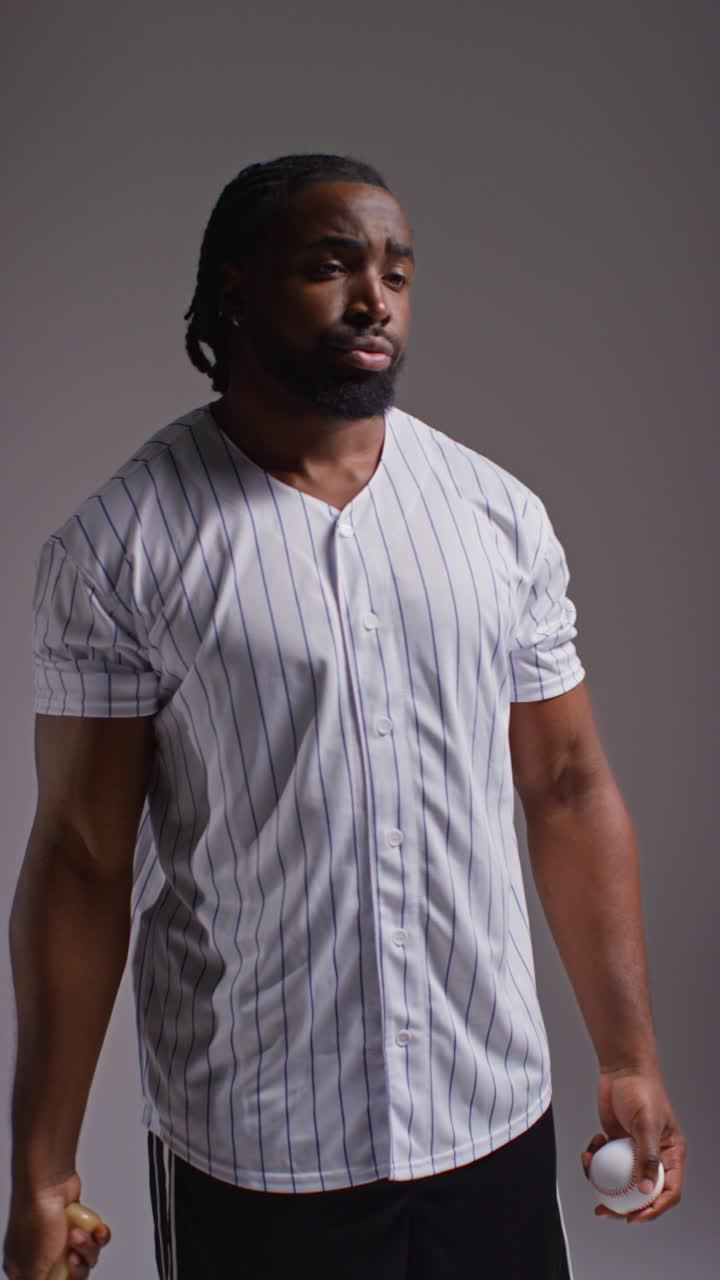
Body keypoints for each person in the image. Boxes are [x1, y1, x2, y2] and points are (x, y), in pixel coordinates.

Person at [4, 153, 686, 1280]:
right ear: (235, 291)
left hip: (487, 1112)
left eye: (397, 272)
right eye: (330, 267)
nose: (375, 298)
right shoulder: (120, 546)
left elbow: (566, 784)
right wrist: (42, 1169)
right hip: (259, 1146)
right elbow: (81, 857)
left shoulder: (496, 516)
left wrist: (629, 1052)